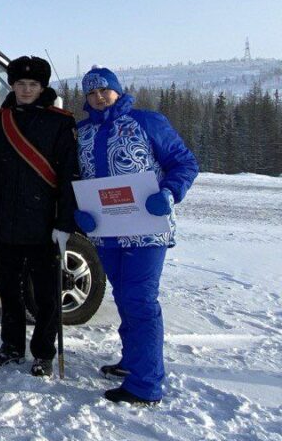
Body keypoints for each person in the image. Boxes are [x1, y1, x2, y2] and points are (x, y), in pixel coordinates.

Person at [74, 65, 198, 405]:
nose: (99, 97)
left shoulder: (146, 122)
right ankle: (132, 362)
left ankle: (146, 385)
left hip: (147, 230)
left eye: (104, 90)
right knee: (125, 298)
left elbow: (184, 163)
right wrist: (81, 209)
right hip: (108, 232)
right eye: (92, 92)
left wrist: (170, 192)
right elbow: (81, 177)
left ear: (117, 90)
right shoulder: (82, 132)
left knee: (141, 301)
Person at [0, 55, 78, 377]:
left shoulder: (60, 123)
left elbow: (68, 177)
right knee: (7, 288)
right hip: (6, 220)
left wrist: (65, 223)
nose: (25, 89)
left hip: (43, 222)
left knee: (46, 292)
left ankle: (44, 353)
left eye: (32, 84)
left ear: (42, 87)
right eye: (20, 84)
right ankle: (11, 346)